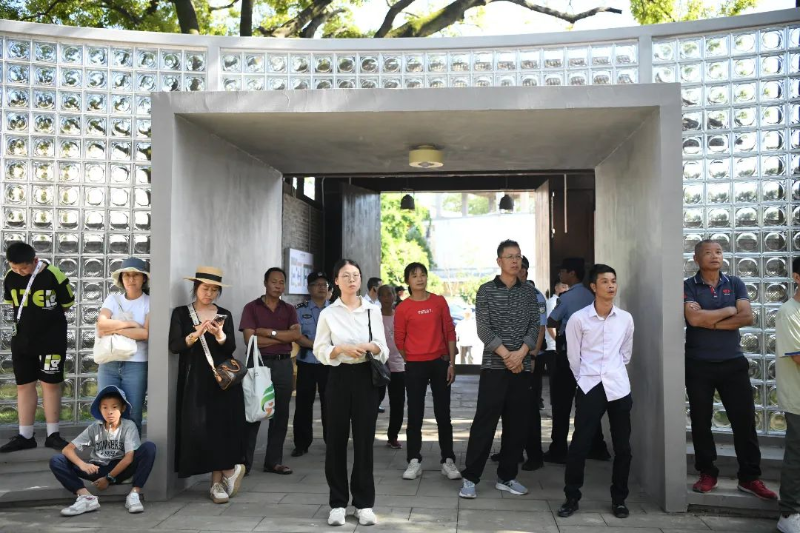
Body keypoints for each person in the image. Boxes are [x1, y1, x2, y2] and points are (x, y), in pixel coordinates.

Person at [684, 240, 776, 499]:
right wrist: (728, 310)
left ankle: (749, 477)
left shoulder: (735, 283)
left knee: (744, 421)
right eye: (708, 252)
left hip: (733, 363)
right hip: (698, 364)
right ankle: (707, 472)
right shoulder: (688, 286)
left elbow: (747, 316)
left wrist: (710, 321)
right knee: (701, 422)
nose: (715, 256)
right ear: (696, 258)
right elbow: (693, 318)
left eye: (719, 252)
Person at [459, 240, 540, 499]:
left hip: (521, 368)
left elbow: (534, 326)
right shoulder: (485, 291)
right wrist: (507, 356)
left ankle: (507, 477)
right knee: (485, 422)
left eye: (518, 256)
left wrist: (521, 354)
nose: (515, 261)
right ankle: (470, 477)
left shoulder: (528, 292)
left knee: (517, 424)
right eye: (510, 256)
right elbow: (483, 328)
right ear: (499, 261)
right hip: (495, 367)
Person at [313, 259, 389, 526]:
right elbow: (319, 349)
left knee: (364, 441)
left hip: (366, 377)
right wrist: (340, 349)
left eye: (355, 275)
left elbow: (383, 347)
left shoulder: (372, 311)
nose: (351, 280)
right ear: (336, 281)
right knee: (335, 440)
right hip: (338, 376)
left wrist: (368, 347)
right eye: (345, 275)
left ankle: (364, 503)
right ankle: (337, 503)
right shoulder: (328, 313)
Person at [557, 264, 634, 519]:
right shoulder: (579, 319)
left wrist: (613, 372)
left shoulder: (625, 319)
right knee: (580, 444)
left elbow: (625, 353)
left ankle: (619, 499)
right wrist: (585, 378)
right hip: (590, 386)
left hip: (618, 387)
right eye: (605, 281)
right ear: (593, 286)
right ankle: (571, 497)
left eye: (613, 281)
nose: (611, 286)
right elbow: (573, 357)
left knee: (623, 447)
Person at [168, 266, 245, 504]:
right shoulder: (182, 313)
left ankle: (216, 485)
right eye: (205, 288)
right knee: (200, 428)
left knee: (220, 429)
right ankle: (229, 471)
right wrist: (197, 333)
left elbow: (230, 348)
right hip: (194, 379)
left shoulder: (224, 314)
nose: (209, 294)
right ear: (196, 288)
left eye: (214, 290)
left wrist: (219, 334)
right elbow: (175, 346)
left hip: (221, 380)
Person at [1, 241, 74, 452]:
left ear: (35, 260)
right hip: (22, 340)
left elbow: (67, 304)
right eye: (14, 267)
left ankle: (53, 434)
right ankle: (25, 435)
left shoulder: (53, 274)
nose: (19, 272)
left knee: (50, 384)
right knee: (24, 385)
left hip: (51, 340)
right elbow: (11, 304)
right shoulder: (10, 277)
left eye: (24, 268)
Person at [394, 262, 460, 481]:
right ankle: (414, 460)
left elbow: (449, 331)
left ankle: (448, 460)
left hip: (440, 363)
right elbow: (399, 339)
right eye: (414, 276)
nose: (420, 279)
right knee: (415, 414)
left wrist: (451, 363)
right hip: (415, 365)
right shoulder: (403, 308)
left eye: (423, 274)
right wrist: (412, 358)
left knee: (443, 414)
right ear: (408, 280)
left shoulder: (438, 301)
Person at [49, 385, 156, 516]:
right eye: (105, 407)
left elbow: (129, 458)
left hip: (120, 469)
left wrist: (108, 478)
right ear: (100, 409)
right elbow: (67, 449)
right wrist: (83, 465)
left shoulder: (128, 426)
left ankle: (134, 494)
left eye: (114, 407)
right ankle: (86, 497)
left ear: (122, 408)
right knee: (57, 460)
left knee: (149, 448)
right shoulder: (95, 427)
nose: (109, 412)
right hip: (97, 468)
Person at [545, 258, 610, 464]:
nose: (560, 275)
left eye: (562, 271)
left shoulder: (567, 298)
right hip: (591, 356)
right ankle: (597, 446)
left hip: (569, 356)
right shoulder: (592, 295)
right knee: (589, 401)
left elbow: (552, 320)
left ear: (572, 273)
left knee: (561, 403)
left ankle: (558, 449)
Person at [240, 267, 301, 474]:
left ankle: (273, 461)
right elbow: (250, 340)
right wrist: (282, 337)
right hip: (258, 364)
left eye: (281, 282)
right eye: (274, 281)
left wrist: (269, 333)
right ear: (265, 283)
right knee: (253, 412)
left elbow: (295, 336)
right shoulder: (252, 308)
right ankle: (244, 464)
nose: (278, 285)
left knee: (281, 415)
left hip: (283, 365)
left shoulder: (289, 309)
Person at [491, 255, 547, 471]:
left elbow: (540, 329)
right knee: (508, 407)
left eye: (520, 268)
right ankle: (510, 452)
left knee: (529, 410)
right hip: (506, 360)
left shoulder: (535, 296)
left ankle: (535, 455)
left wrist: (532, 356)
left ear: (525, 271)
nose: (515, 271)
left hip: (527, 360)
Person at [96, 257, 150, 435]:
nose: (131, 279)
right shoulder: (112, 299)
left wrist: (115, 329)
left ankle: (131, 450)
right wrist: (131, 325)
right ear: (121, 278)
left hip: (136, 364)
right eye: (126, 275)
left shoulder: (149, 302)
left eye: (136, 275)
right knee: (106, 413)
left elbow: (145, 334)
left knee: (133, 413)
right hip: (109, 362)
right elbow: (102, 325)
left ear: (144, 278)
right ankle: (108, 450)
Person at [292, 271, 331, 457]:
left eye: (324, 284)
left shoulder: (336, 309)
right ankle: (301, 443)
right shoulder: (299, 310)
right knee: (303, 404)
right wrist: (318, 346)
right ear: (309, 288)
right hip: (307, 362)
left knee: (330, 404)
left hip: (329, 363)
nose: (321, 287)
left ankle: (332, 442)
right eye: (317, 284)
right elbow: (296, 336)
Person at [776, 256, 800, 533]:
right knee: (797, 456)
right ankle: (789, 513)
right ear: (796, 277)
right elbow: (797, 357)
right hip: (797, 399)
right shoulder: (789, 313)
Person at [379, 284, 406, 449]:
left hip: (398, 365)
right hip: (379, 366)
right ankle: (365, 434)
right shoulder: (374, 317)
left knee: (398, 403)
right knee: (374, 401)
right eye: (383, 295)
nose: (387, 298)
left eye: (390, 294)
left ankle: (393, 436)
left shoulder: (400, 316)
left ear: (394, 296)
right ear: (379, 298)